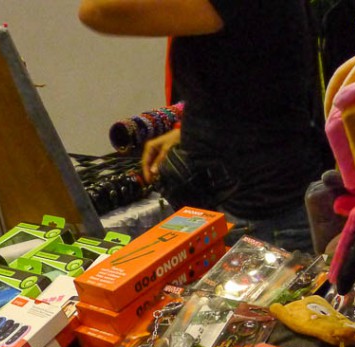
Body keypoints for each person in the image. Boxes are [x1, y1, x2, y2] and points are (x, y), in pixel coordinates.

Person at [78, 0, 325, 252]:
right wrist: (190, 130)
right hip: (254, 195)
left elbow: (97, 11)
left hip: (264, 209)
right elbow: (250, 70)